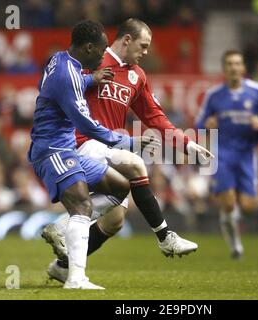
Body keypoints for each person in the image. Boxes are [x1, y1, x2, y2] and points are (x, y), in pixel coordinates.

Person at [43, 18, 211, 282]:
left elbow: (155, 116)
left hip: (110, 147)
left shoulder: (137, 76)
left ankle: (63, 267)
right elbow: (63, 88)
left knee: (115, 221)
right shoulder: (92, 61)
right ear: (127, 40)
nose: (146, 52)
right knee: (135, 164)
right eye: (143, 46)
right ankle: (166, 237)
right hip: (81, 143)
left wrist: (187, 142)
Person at [28, 20, 157, 289]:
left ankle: (61, 231)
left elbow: (66, 83)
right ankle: (75, 278)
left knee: (120, 186)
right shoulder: (69, 76)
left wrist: (90, 79)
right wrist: (127, 140)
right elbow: (87, 125)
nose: (102, 56)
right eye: (100, 51)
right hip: (52, 150)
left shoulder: (59, 60)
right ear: (88, 48)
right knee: (82, 206)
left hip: (63, 149)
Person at [196, 50, 258, 259]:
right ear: (224, 69)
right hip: (223, 153)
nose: (233, 67)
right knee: (228, 203)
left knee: (247, 207)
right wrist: (207, 124)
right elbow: (199, 122)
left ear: (243, 68)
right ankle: (235, 246)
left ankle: (230, 218)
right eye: (229, 63)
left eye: (237, 63)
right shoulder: (214, 95)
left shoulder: (256, 92)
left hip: (247, 154)